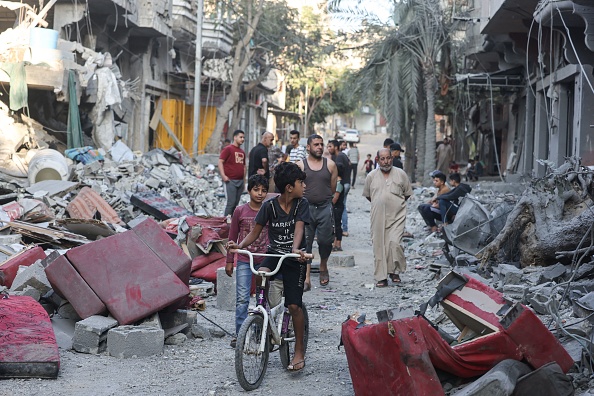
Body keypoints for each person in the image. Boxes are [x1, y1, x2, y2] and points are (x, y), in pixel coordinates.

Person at [227, 162, 310, 372]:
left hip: (295, 256)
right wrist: (240, 246)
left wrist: (295, 249)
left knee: (294, 306)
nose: (304, 186)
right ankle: (262, 310)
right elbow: (254, 232)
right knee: (261, 273)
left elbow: (299, 228)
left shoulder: (302, 204)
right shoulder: (269, 206)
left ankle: (299, 349)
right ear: (290, 187)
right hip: (274, 253)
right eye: (301, 182)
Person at [225, 174, 269, 348]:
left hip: (265, 260)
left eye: (263, 190)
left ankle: (259, 334)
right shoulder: (240, 211)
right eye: (256, 189)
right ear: (249, 190)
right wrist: (230, 260)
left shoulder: (268, 210)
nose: (259, 194)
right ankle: (240, 334)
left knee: (261, 298)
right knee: (242, 299)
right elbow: (232, 235)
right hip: (244, 259)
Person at [363, 148, 412, 288]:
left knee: (395, 244)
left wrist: (395, 203)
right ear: (377, 160)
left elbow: (407, 193)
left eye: (388, 158)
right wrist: (381, 203)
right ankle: (381, 277)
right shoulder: (371, 176)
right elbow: (368, 196)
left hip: (397, 216)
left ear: (392, 158)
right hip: (378, 216)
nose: (386, 161)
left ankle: (394, 271)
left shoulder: (401, 174)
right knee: (379, 246)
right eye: (382, 159)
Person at [296, 135, 337, 288]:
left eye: (321, 144)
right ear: (308, 147)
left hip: (325, 207)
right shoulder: (300, 165)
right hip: (305, 209)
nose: (319, 147)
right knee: (305, 243)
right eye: (316, 144)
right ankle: (306, 277)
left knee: (325, 241)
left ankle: (323, 266)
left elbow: (332, 188)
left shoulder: (331, 165)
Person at [218, 130, 246, 216]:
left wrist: (244, 181)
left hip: (240, 181)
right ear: (235, 137)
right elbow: (220, 162)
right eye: (241, 137)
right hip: (230, 181)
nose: (242, 139)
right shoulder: (228, 149)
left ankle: (233, 223)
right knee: (231, 203)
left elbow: (244, 166)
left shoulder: (242, 152)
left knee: (236, 204)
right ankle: (225, 222)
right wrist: (223, 175)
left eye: (243, 137)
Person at [328, 140, 349, 249]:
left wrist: (330, 203)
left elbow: (335, 197)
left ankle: (338, 243)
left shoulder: (338, 183)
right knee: (336, 225)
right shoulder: (338, 181)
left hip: (336, 207)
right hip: (337, 207)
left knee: (336, 225)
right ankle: (336, 243)